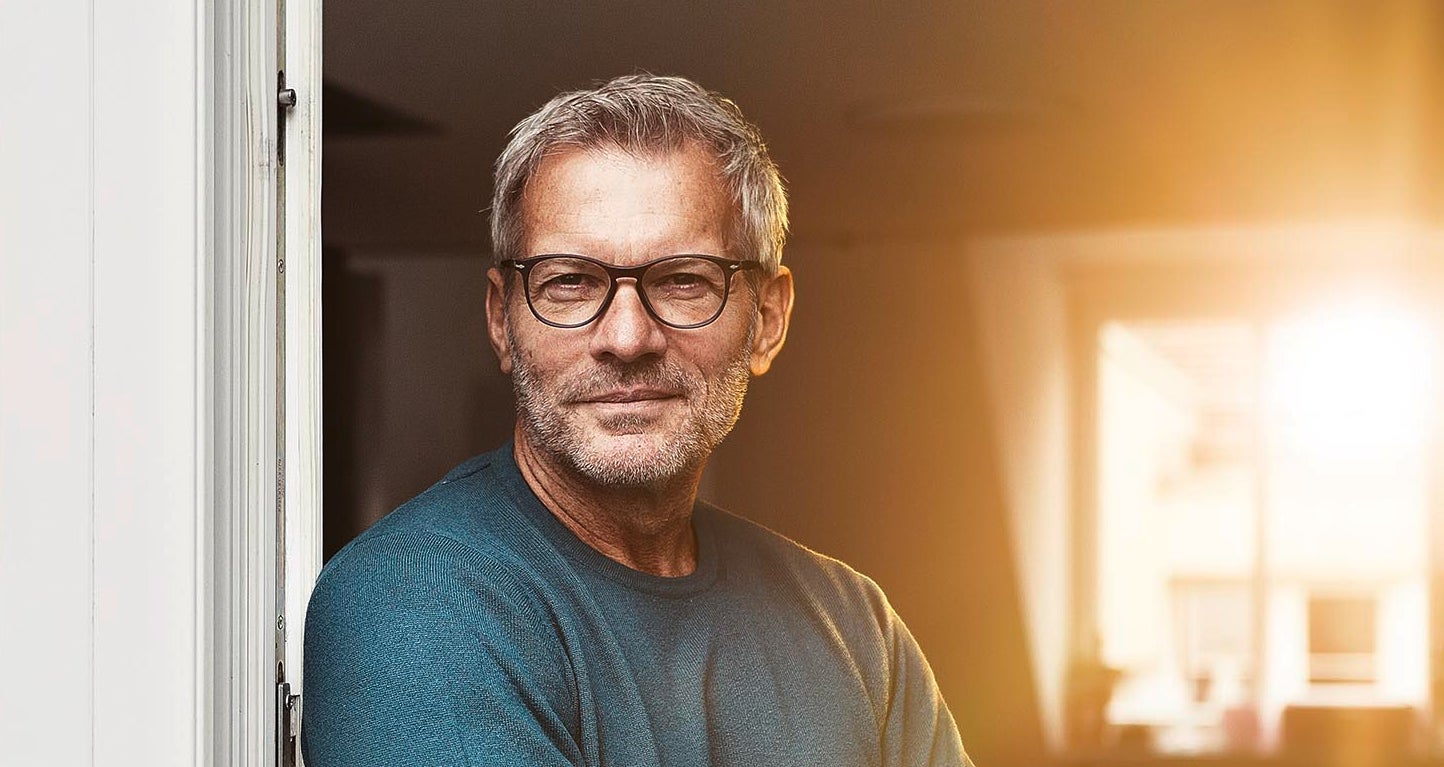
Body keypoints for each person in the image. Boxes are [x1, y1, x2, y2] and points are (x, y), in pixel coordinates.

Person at [302, 73, 971, 767]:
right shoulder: (414, 601)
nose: (626, 337)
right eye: (570, 281)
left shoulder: (854, 626)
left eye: (683, 279)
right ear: (503, 319)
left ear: (766, 320)